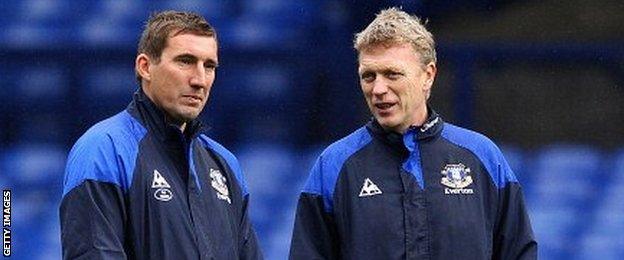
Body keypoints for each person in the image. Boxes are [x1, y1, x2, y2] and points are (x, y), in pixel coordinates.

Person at [289, 7, 537, 260]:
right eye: (368, 76)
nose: (378, 89)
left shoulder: (483, 157)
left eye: (392, 74)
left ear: (428, 75)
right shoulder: (334, 165)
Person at [60, 11, 262, 259]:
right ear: (145, 67)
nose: (200, 80)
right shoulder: (105, 149)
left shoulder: (225, 164)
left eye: (209, 66)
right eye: (185, 61)